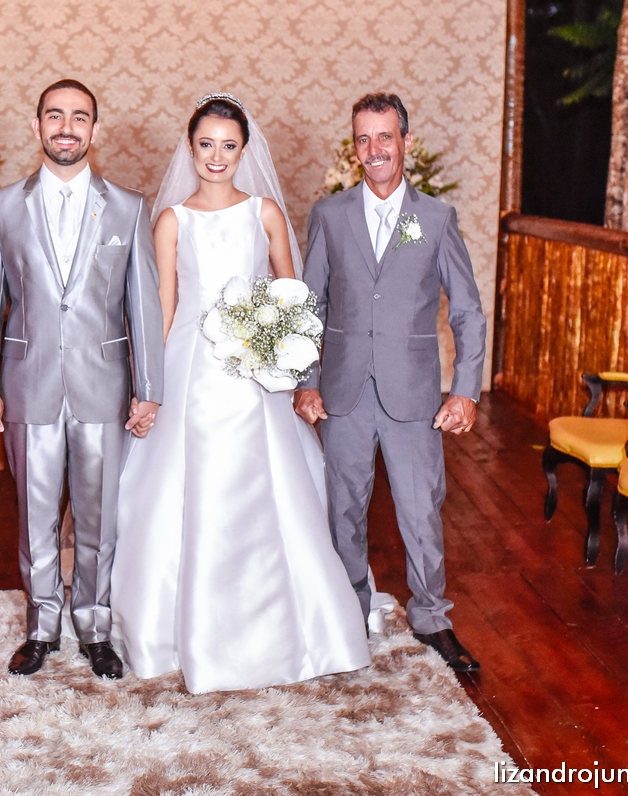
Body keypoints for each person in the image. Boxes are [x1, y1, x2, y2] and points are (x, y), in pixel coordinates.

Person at [110, 94, 374, 694]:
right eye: (206, 144)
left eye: (229, 146)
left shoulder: (265, 214)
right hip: (192, 368)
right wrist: (150, 385)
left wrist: (273, 343)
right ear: (191, 147)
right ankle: (174, 627)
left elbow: (293, 295)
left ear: (244, 151)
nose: (217, 157)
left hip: (253, 369)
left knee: (271, 489)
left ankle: (288, 624)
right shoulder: (172, 219)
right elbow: (166, 306)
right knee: (185, 486)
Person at [0, 79, 164, 680]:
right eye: (55, 116)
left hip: (104, 386)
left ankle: (95, 625)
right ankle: (42, 625)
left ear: (96, 130)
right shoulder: (3, 207)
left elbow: (143, 304)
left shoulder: (128, 207)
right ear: (37, 126)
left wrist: (149, 387)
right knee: (36, 514)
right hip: (31, 384)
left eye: (79, 117)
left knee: (100, 516)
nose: (67, 127)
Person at [294, 93, 488, 673]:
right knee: (343, 511)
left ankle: (433, 618)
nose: (374, 149)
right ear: (353, 147)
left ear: (406, 141)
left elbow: (469, 312)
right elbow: (309, 305)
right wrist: (306, 381)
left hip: (414, 395)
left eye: (385, 137)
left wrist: (466, 389)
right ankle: (350, 614)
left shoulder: (435, 218)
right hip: (344, 390)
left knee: (420, 510)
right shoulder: (329, 215)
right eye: (363, 139)